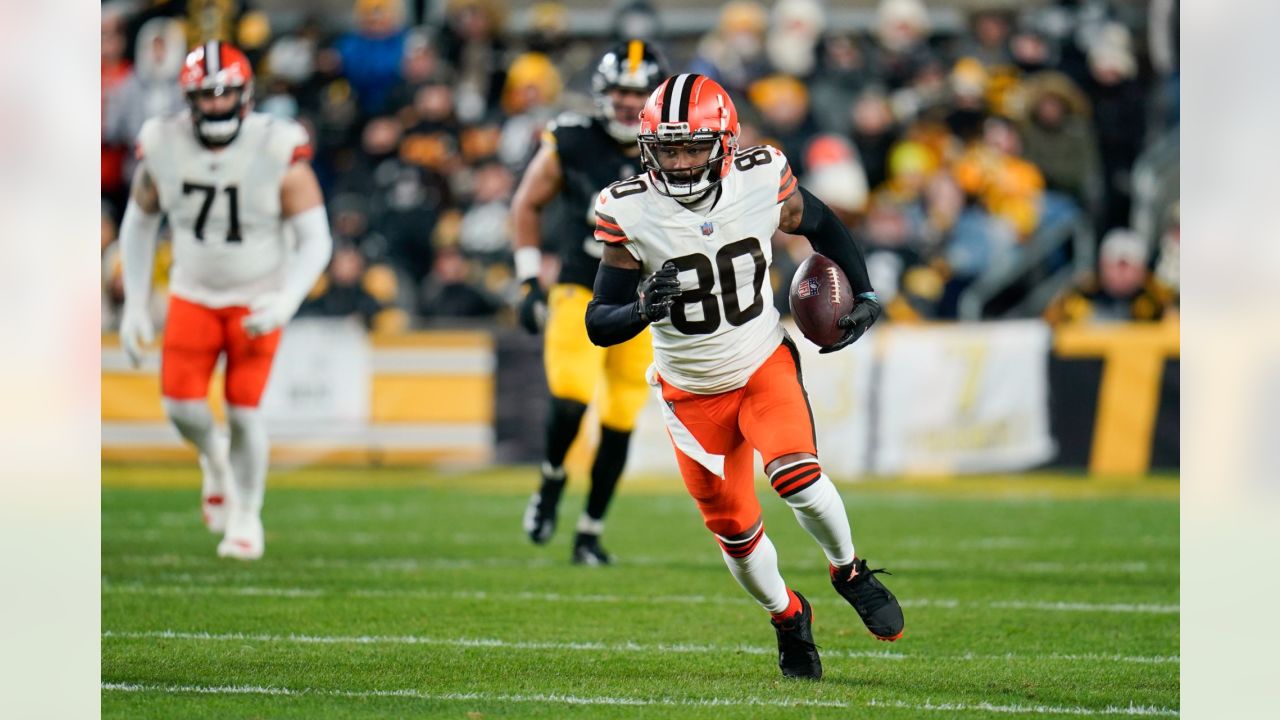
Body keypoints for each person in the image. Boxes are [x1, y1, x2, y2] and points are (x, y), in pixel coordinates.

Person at [583, 73, 904, 680]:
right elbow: (600, 322)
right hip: (689, 392)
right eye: (668, 149)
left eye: (692, 147)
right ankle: (788, 616)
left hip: (759, 362)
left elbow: (822, 222)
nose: (679, 162)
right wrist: (643, 307)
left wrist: (863, 288)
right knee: (734, 529)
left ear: (724, 142)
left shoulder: (761, 175)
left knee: (798, 476)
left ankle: (849, 569)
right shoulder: (627, 208)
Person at [118, 42, 333, 560]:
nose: (215, 106)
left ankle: (246, 515)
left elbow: (317, 239)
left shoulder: (278, 146)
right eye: (204, 95)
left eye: (224, 93)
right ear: (187, 98)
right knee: (181, 407)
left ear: (246, 94)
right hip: (193, 292)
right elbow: (139, 222)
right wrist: (134, 304)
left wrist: (286, 301)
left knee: (244, 413)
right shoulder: (163, 142)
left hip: (257, 297)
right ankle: (214, 461)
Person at [511, 40, 668, 565]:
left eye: (640, 91)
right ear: (604, 93)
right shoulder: (573, 139)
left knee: (621, 415)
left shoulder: (680, 144)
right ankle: (552, 479)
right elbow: (527, 203)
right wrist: (529, 279)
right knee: (572, 396)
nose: (628, 101)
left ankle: (589, 531)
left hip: (647, 297)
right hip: (582, 282)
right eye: (621, 90)